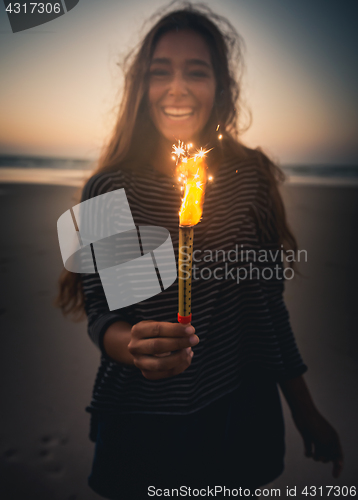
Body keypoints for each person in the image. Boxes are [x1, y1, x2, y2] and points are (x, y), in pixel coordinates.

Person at [55, 4, 344, 499]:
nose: (178, 87)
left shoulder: (250, 176)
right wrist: (135, 348)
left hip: (237, 409)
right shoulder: (109, 188)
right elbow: (106, 317)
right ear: (140, 88)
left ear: (221, 87)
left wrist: (304, 407)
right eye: (159, 71)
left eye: (197, 71)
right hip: (142, 421)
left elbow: (266, 306)